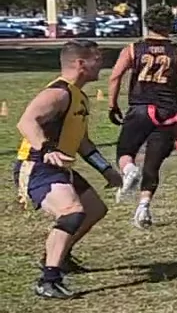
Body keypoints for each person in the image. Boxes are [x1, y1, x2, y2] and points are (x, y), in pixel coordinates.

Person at [16, 41, 118, 299]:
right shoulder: (59, 93)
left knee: (95, 210)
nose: (102, 64)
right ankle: (48, 280)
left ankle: (58, 256)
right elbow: (26, 122)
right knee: (72, 212)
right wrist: (46, 148)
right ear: (80, 63)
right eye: (97, 59)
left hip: (59, 166)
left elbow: (82, 143)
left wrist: (106, 170)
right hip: (38, 166)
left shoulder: (78, 96)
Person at [106, 5, 177, 228]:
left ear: (147, 23)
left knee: (125, 152)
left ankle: (129, 170)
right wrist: (175, 99)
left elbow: (115, 76)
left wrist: (112, 105)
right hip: (166, 113)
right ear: (169, 24)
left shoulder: (133, 49)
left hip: (139, 108)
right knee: (153, 163)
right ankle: (143, 207)